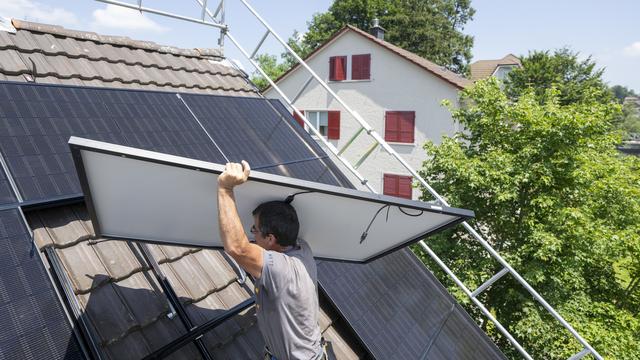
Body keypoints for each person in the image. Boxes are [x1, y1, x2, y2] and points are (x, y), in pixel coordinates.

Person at [217, 161, 324, 360]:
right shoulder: (302, 247)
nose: (252, 234)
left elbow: (237, 247)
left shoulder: (280, 270)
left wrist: (226, 188)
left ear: (270, 238)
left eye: (254, 230)